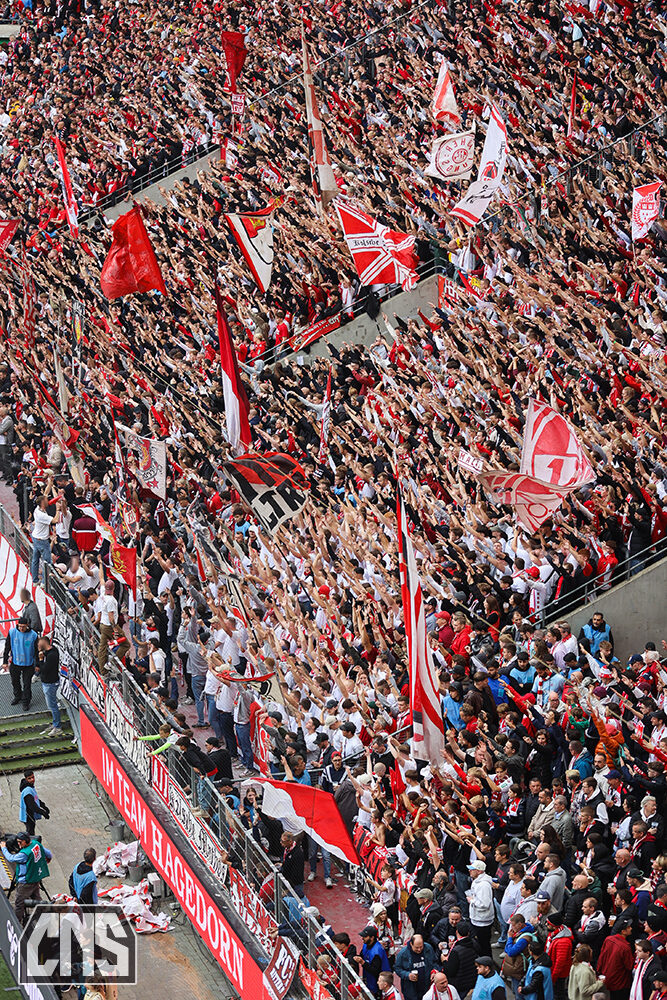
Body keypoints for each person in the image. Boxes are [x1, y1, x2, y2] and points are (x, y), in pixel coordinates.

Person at [1, 830, 52, 923]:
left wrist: (4, 848)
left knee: (19, 904)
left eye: (20, 842)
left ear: (25, 841)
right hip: (35, 877)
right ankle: (43, 918)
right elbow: (49, 854)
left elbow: (11, 858)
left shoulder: (24, 854)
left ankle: (16, 923)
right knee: (37, 899)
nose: (18, 844)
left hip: (25, 882)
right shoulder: (36, 844)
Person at [3, 616, 39, 710]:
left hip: (28, 664)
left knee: (27, 684)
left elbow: (37, 651)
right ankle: (17, 696)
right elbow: (7, 647)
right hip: (15, 662)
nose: (21, 628)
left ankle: (26, 701)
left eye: (23, 626)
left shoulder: (33, 635)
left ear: (27, 625)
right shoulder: (12, 632)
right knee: (15, 681)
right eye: (19, 626)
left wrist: (37, 664)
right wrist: (5, 662)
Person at [596, 926, 635, 1000]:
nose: (631, 928)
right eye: (628, 927)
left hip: (607, 976)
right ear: (623, 931)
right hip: (619, 982)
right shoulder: (625, 947)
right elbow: (629, 966)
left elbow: (601, 956)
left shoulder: (608, 939)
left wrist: (599, 970)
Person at [395, 934, 437, 1000]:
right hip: (410, 990)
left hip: (426, 987)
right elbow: (397, 969)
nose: (419, 949)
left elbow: (435, 962)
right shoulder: (403, 953)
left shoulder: (428, 948)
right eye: (416, 947)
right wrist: (407, 975)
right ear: (411, 944)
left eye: (421, 947)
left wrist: (434, 971)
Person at [466, 860, 495, 956]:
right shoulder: (476, 881)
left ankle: (486, 962)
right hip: (477, 918)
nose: (469, 871)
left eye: (472, 869)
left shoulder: (483, 885)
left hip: (482, 921)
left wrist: (472, 901)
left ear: (479, 871)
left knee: (483, 946)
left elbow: (485, 904)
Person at [37, 634, 62, 737]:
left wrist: (41, 660)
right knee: (51, 705)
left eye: (39, 644)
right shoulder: (51, 651)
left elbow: (44, 669)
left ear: (44, 643)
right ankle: (55, 723)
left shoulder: (52, 655)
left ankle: (58, 727)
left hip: (50, 683)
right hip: (48, 682)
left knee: (52, 705)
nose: (38, 646)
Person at [356, 925, 391, 995]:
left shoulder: (377, 951)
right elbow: (362, 955)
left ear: (372, 938)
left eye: (365, 937)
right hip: (368, 979)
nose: (362, 938)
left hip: (377, 983)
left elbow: (375, 970)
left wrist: (363, 962)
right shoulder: (366, 945)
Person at [30, 494, 54, 585]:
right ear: (43, 502)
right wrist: (58, 509)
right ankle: (44, 583)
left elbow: (45, 494)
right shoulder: (42, 515)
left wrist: (50, 485)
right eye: (46, 500)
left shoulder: (37, 509)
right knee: (47, 562)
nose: (48, 501)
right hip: (42, 541)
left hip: (36, 538)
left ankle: (35, 580)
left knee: (35, 560)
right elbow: (55, 520)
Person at [18, 770, 49, 836]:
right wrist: (43, 812)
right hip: (28, 816)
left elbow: (35, 799)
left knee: (31, 830)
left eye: (33, 777)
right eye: (29, 778)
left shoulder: (30, 786)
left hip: (30, 814)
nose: (32, 780)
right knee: (30, 832)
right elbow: (32, 806)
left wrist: (43, 806)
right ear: (26, 779)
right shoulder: (27, 791)